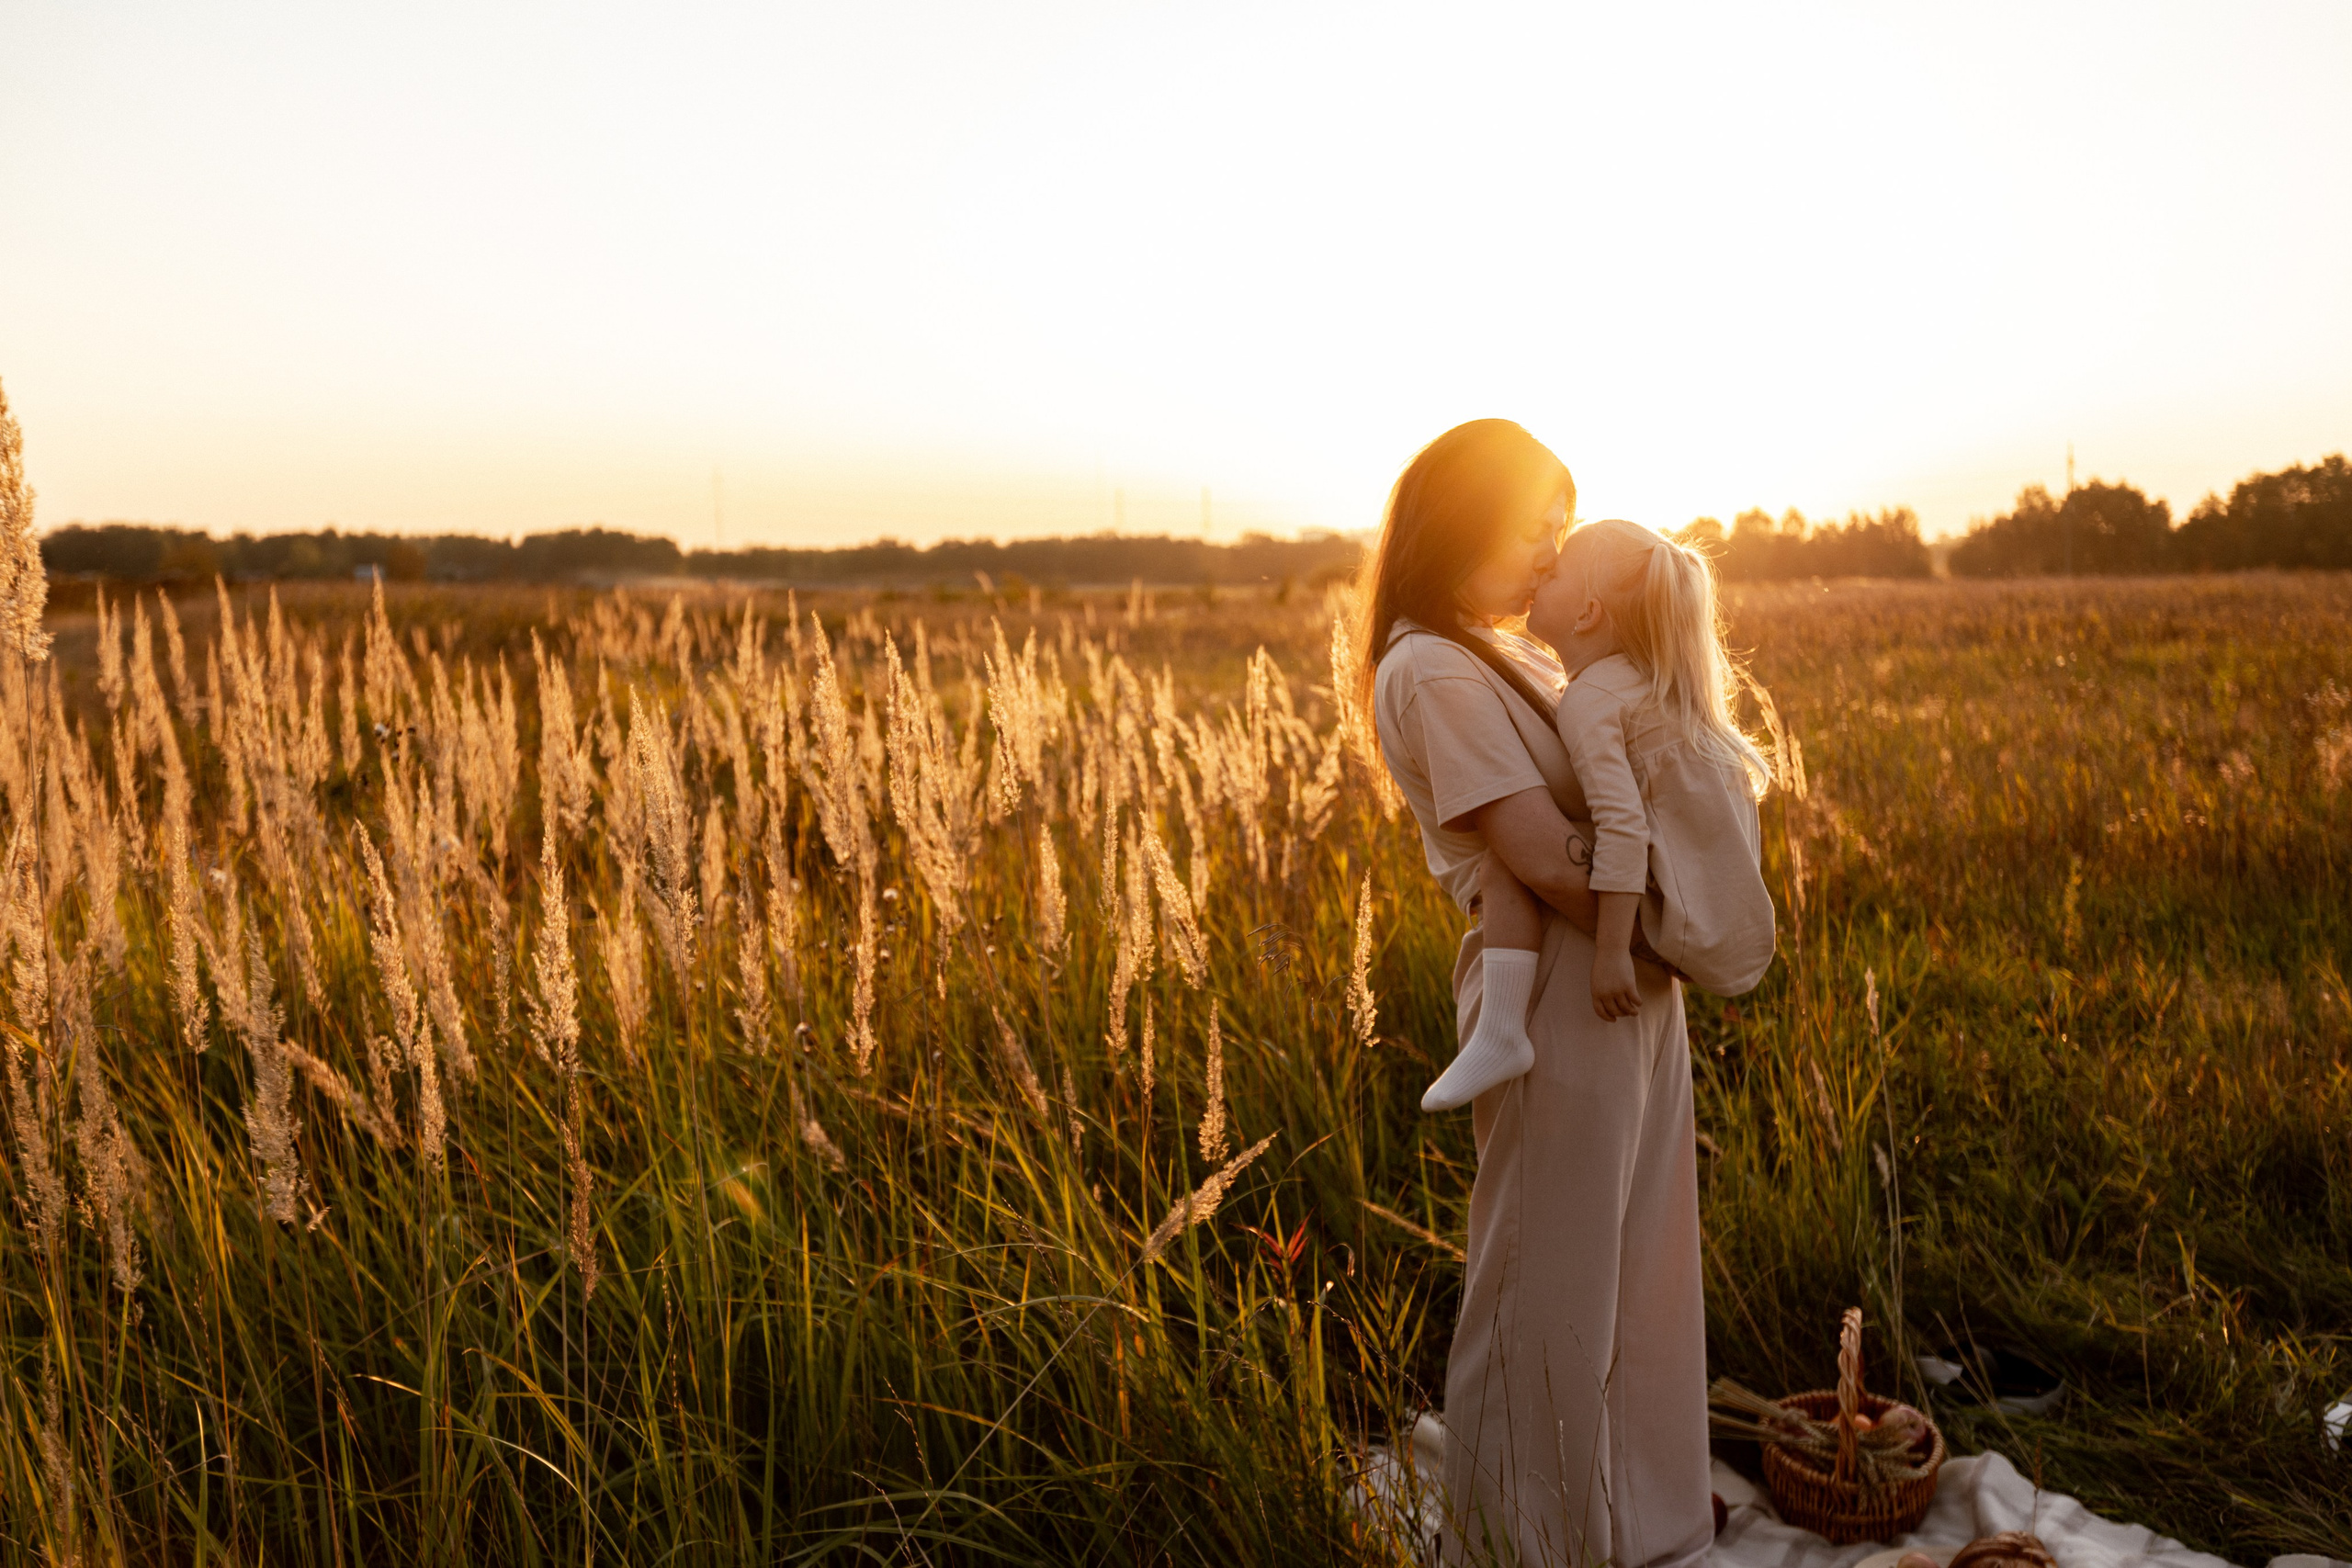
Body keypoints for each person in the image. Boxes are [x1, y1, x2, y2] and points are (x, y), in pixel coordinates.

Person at [1364, 422, 1716, 1568]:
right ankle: (1522, 1543)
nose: (1547, 556)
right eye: (1531, 531)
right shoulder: (1427, 666)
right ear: (1460, 527)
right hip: (1566, 985)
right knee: (1545, 1285)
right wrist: (1685, 937)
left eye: (1559, 532)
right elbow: (1538, 854)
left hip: (1628, 982)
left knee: (1641, 1270)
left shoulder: (1501, 653)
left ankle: (1644, 1521)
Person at [1420, 516, 1776, 1112]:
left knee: (1507, 858)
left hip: (1664, 900)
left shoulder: (1589, 700)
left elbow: (1625, 825)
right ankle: (1501, 1033)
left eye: (1555, 572)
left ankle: (1501, 1029)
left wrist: (1614, 951)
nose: (1540, 570)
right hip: (1709, 900)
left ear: (1586, 614)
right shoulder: (1640, 681)